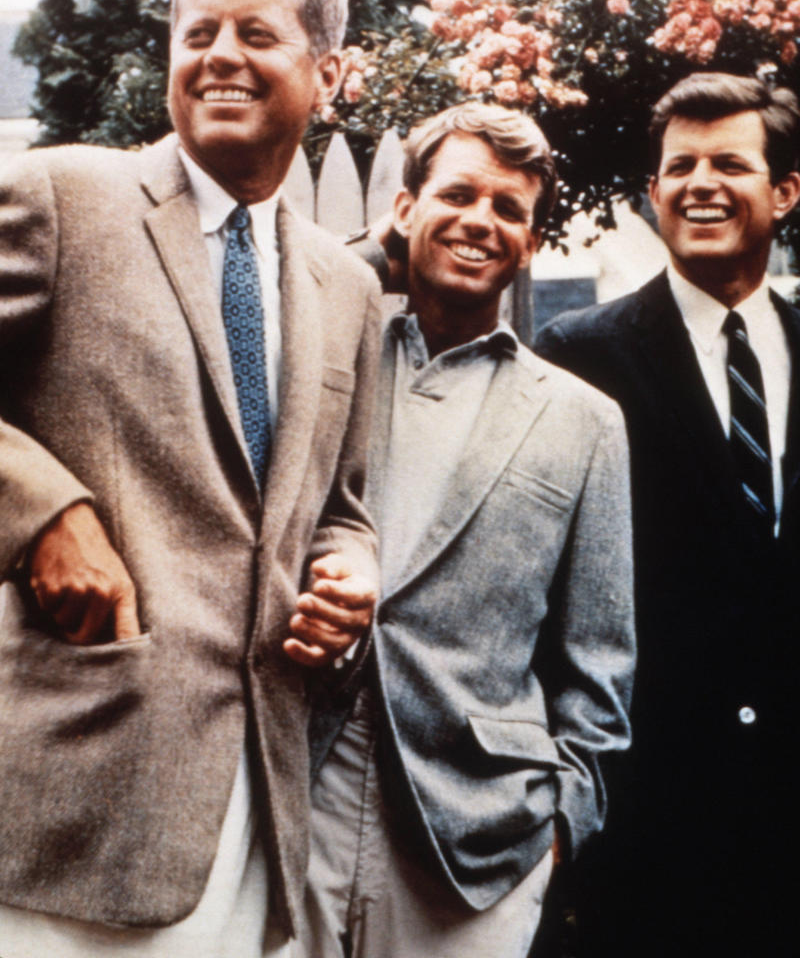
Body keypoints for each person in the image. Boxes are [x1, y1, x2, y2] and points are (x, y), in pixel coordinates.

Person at [0, 0, 382, 957]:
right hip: (71, 802)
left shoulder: (346, 286)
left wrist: (351, 576)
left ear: (327, 71)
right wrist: (44, 516)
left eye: (255, 35)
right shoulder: (64, 196)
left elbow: (341, 505)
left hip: (260, 807)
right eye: (197, 32)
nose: (218, 56)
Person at [298, 102, 635, 958]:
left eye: (508, 210)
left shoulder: (583, 420)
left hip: (478, 839)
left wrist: (562, 825)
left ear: (528, 243)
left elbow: (600, 660)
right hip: (298, 792)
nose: (480, 221)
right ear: (404, 211)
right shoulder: (323, 357)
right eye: (457, 195)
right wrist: (377, 250)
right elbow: (293, 285)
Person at [535, 71, 800, 958]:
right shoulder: (580, 354)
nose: (700, 185)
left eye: (731, 163)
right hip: (653, 813)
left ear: (786, 191)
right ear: (653, 193)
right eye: (679, 166)